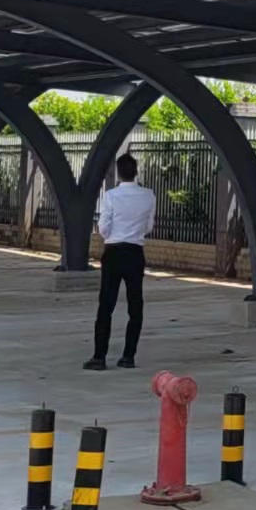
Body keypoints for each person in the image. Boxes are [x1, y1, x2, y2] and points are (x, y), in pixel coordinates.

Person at [85, 152, 156, 371]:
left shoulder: (111, 196)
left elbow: (103, 228)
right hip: (135, 252)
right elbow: (149, 226)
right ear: (136, 172)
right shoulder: (149, 195)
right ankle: (128, 356)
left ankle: (99, 357)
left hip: (114, 252)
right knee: (135, 305)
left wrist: (114, 233)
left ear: (118, 173)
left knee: (106, 305)